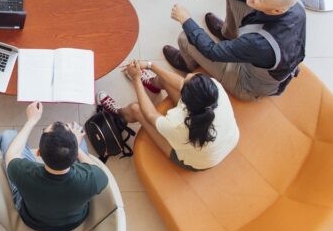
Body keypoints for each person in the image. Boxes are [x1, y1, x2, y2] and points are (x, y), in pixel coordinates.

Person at [162, 0, 306, 101]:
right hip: (257, 54)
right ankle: (227, 35)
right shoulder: (294, 4)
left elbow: (212, 51)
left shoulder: (260, 44)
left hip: (246, 82)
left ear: (277, 10)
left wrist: (185, 19)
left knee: (185, 38)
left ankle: (190, 65)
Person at [98, 61, 239, 171]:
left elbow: (150, 114)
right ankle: (153, 84)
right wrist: (149, 65)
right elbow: (180, 83)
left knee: (136, 109)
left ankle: (121, 114)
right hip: (227, 140)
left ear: (186, 102)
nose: (184, 78)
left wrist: (136, 78)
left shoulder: (177, 124)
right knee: (166, 79)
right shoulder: (214, 88)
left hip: (199, 162)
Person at [0, 102, 108, 231]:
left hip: (32, 220)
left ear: (38, 153)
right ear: (75, 158)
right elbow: (96, 169)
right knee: (78, 130)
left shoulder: (24, 173)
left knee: (8, 135)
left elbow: (12, 154)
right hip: (73, 223)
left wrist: (32, 121)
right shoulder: (94, 178)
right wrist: (76, 147)